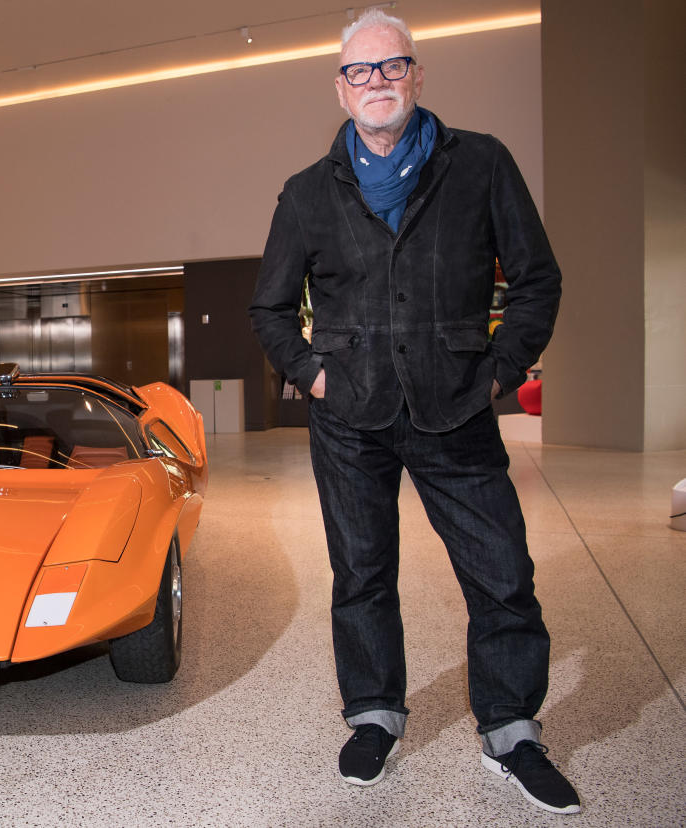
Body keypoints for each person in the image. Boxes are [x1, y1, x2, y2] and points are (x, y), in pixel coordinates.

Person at [248, 10, 580, 816]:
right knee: (361, 575)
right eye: (360, 72)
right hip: (349, 417)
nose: (377, 83)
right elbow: (268, 309)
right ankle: (374, 713)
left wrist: (498, 373)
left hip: (456, 408)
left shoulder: (482, 165)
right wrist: (314, 378)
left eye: (392, 67)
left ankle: (510, 727)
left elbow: (537, 279)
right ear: (340, 86)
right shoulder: (304, 192)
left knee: (502, 573)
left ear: (417, 75)